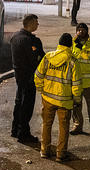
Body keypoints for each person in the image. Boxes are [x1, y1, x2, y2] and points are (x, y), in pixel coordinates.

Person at [34, 33, 82, 162]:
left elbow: (38, 76)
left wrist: (41, 90)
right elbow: (76, 84)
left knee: (46, 124)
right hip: (64, 101)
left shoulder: (48, 57)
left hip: (48, 98)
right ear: (70, 45)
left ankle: (45, 150)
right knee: (64, 127)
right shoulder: (72, 61)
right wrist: (77, 100)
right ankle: (60, 154)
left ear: (59, 44)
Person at [10, 14, 45, 142]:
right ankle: (23, 133)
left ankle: (15, 129)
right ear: (29, 23)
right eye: (36, 22)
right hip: (28, 77)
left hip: (19, 76)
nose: (37, 24)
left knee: (19, 102)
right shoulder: (29, 40)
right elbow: (35, 59)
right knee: (26, 105)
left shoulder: (14, 37)